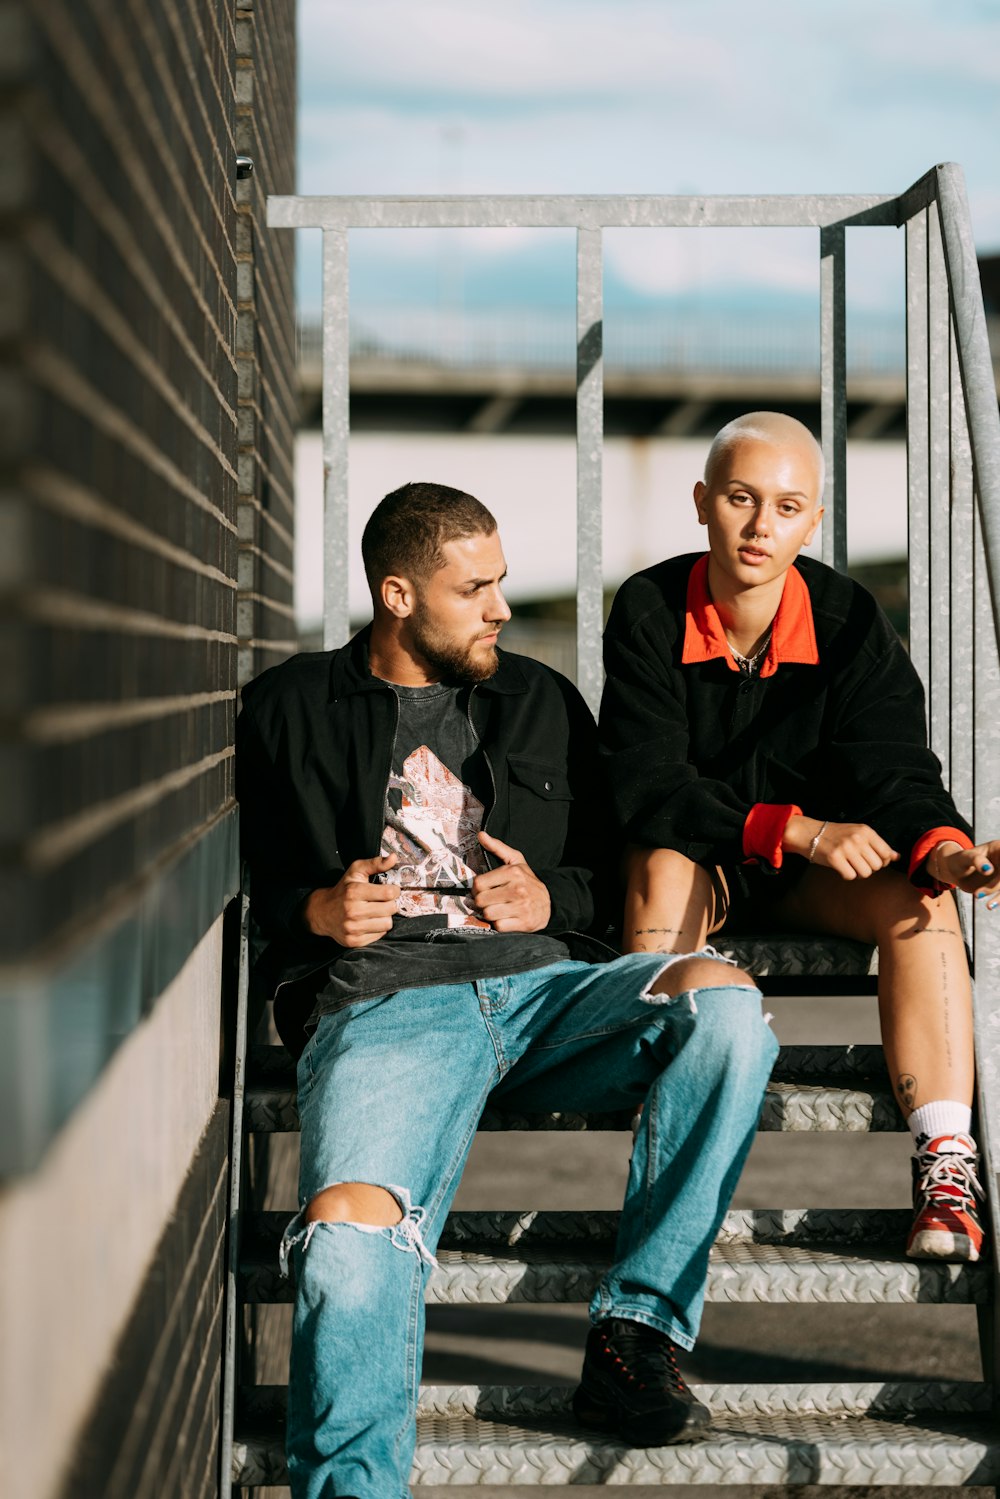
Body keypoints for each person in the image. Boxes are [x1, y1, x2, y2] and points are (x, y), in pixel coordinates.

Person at [236, 480, 778, 1498]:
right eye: (473, 588)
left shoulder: (538, 699)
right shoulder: (289, 706)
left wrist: (546, 894)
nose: (500, 607)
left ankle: (637, 1328)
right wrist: (315, 912)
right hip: (385, 1010)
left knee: (726, 1007)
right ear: (396, 594)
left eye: (498, 582)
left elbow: (594, 870)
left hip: (547, 994)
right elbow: (258, 885)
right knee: (347, 1250)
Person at [600, 410, 995, 1267]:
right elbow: (647, 785)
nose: (759, 525)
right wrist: (797, 829)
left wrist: (943, 848)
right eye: (741, 498)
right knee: (660, 865)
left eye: (786, 507)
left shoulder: (849, 620)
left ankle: (946, 1167)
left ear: (813, 521)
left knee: (921, 903)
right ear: (703, 501)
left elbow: (892, 764)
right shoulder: (647, 607)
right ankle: (664, 1139)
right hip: (704, 862)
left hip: (814, 873)